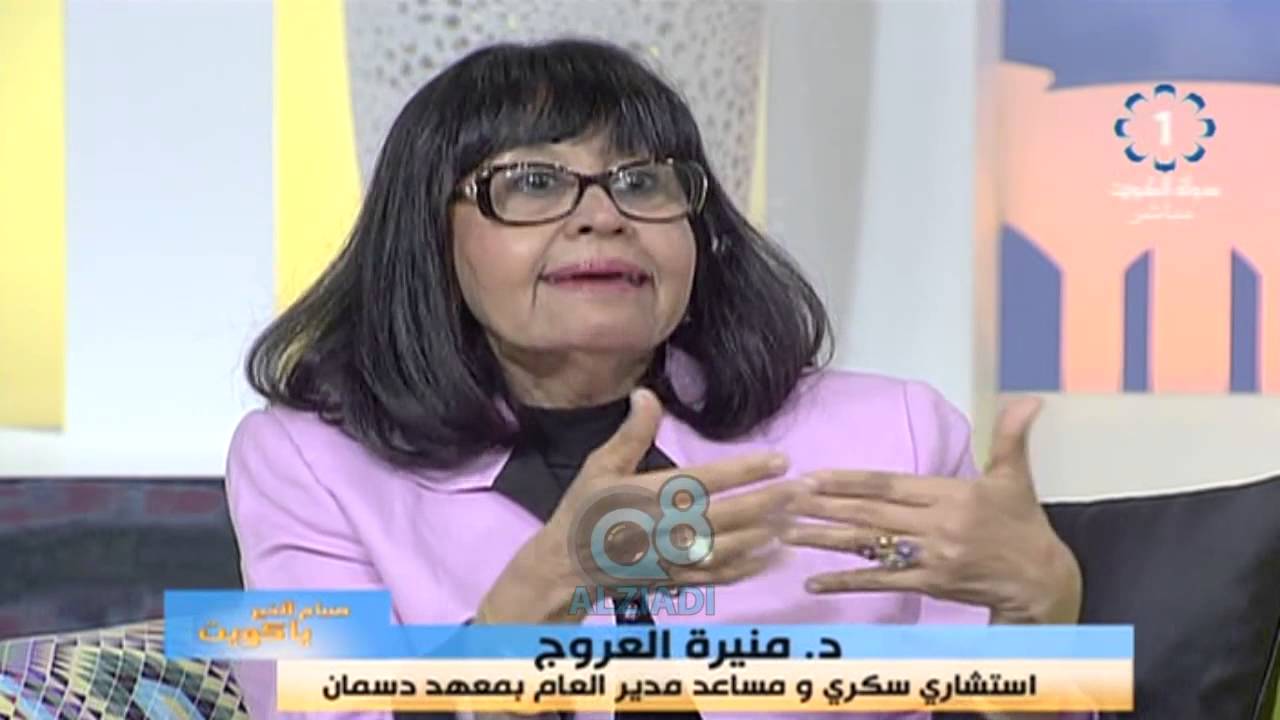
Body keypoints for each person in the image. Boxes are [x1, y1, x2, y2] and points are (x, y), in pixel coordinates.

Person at [225, 38, 1086, 720]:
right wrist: (534, 603)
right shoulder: (301, 460)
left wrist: (1042, 615)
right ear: (427, 236)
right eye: (533, 183)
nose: (604, 216)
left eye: (642, 181)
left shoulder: (893, 432)